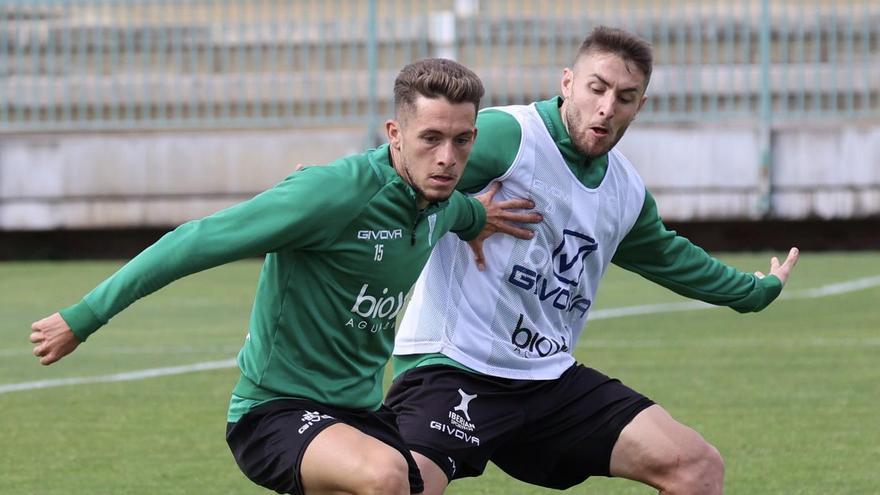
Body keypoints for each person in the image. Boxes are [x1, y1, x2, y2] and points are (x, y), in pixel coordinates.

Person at [28, 58, 541, 495]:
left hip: (361, 412)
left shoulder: (441, 204)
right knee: (386, 477)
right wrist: (84, 317)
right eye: (431, 138)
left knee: (419, 481)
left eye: (462, 140)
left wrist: (481, 221)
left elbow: (461, 214)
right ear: (395, 134)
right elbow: (194, 241)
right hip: (274, 412)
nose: (448, 158)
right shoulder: (332, 194)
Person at [384, 27, 800, 495]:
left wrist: (752, 291)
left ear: (640, 106)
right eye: (596, 88)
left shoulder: (624, 190)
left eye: (625, 96)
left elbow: (669, 255)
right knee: (400, 486)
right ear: (568, 83)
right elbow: (400, 171)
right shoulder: (511, 137)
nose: (607, 107)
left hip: (547, 379)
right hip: (455, 365)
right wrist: (466, 214)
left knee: (696, 468)